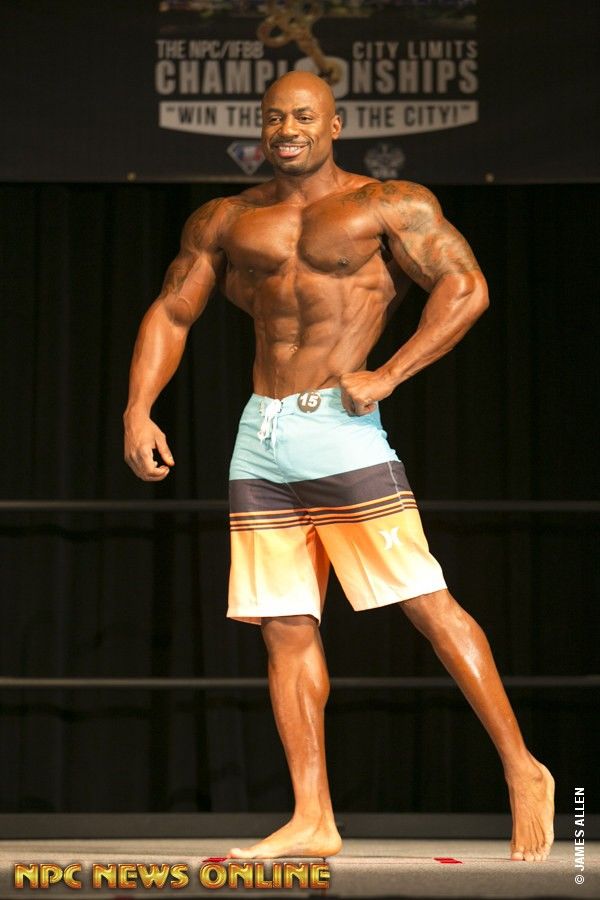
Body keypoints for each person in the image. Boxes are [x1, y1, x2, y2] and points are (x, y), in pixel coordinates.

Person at [124, 71, 554, 863]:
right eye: (274, 117)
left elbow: (465, 287)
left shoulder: (387, 204)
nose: (287, 129)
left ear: (334, 124)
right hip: (261, 433)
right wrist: (137, 407)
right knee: (286, 627)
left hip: (341, 429)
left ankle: (523, 768)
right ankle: (312, 815)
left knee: (425, 603)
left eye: (303, 116)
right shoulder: (226, 218)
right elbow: (174, 310)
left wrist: (390, 373)